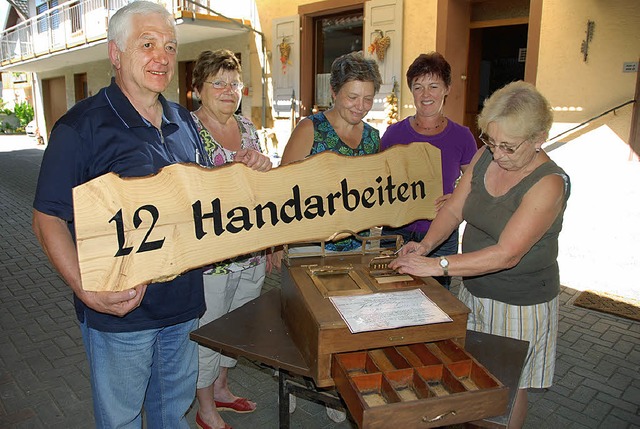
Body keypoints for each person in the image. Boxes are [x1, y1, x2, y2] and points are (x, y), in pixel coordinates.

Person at [31, 2, 209, 428]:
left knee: (173, 413)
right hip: (121, 312)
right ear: (115, 53)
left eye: (169, 45)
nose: (162, 57)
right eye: (146, 44)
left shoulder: (182, 119)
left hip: (183, 305)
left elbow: (200, 194)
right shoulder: (80, 128)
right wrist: (85, 289)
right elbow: (47, 218)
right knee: (122, 420)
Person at [389, 81, 570, 428]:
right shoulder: (485, 155)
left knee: (507, 387)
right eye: (491, 140)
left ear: (538, 139)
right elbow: (455, 209)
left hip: (520, 302)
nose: (497, 154)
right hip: (474, 289)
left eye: (509, 147)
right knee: (470, 376)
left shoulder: (549, 183)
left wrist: (437, 265)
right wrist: (425, 246)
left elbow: (506, 254)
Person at [280, 51, 382, 422]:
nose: (360, 106)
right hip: (309, 244)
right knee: (303, 320)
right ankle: (290, 375)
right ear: (335, 92)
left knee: (344, 322)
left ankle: (335, 387)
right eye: (353, 96)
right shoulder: (311, 129)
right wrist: (280, 242)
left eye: (368, 98)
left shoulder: (373, 136)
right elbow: (282, 188)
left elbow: (375, 190)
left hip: (353, 247)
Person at [190, 49, 272, 429]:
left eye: (233, 83)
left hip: (251, 252)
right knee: (209, 331)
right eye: (217, 82)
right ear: (198, 90)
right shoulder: (186, 130)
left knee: (237, 327)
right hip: (211, 258)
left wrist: (264, 167)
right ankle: (205, 407)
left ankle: (222, 389)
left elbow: (264, 189)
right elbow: (186, 190)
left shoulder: (248, 127)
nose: (228, 90)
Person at [380, 52, 477, 288]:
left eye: (433, 86)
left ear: (447, 88)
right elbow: (378, 180)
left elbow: (477, 184)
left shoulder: (461, 137)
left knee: (435, 302)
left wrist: (457, 198)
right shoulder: (394, 134)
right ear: (411, 90)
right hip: (395, 232)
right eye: (418, 86)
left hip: (441, 235)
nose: (425, 95)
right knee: (390, 295)